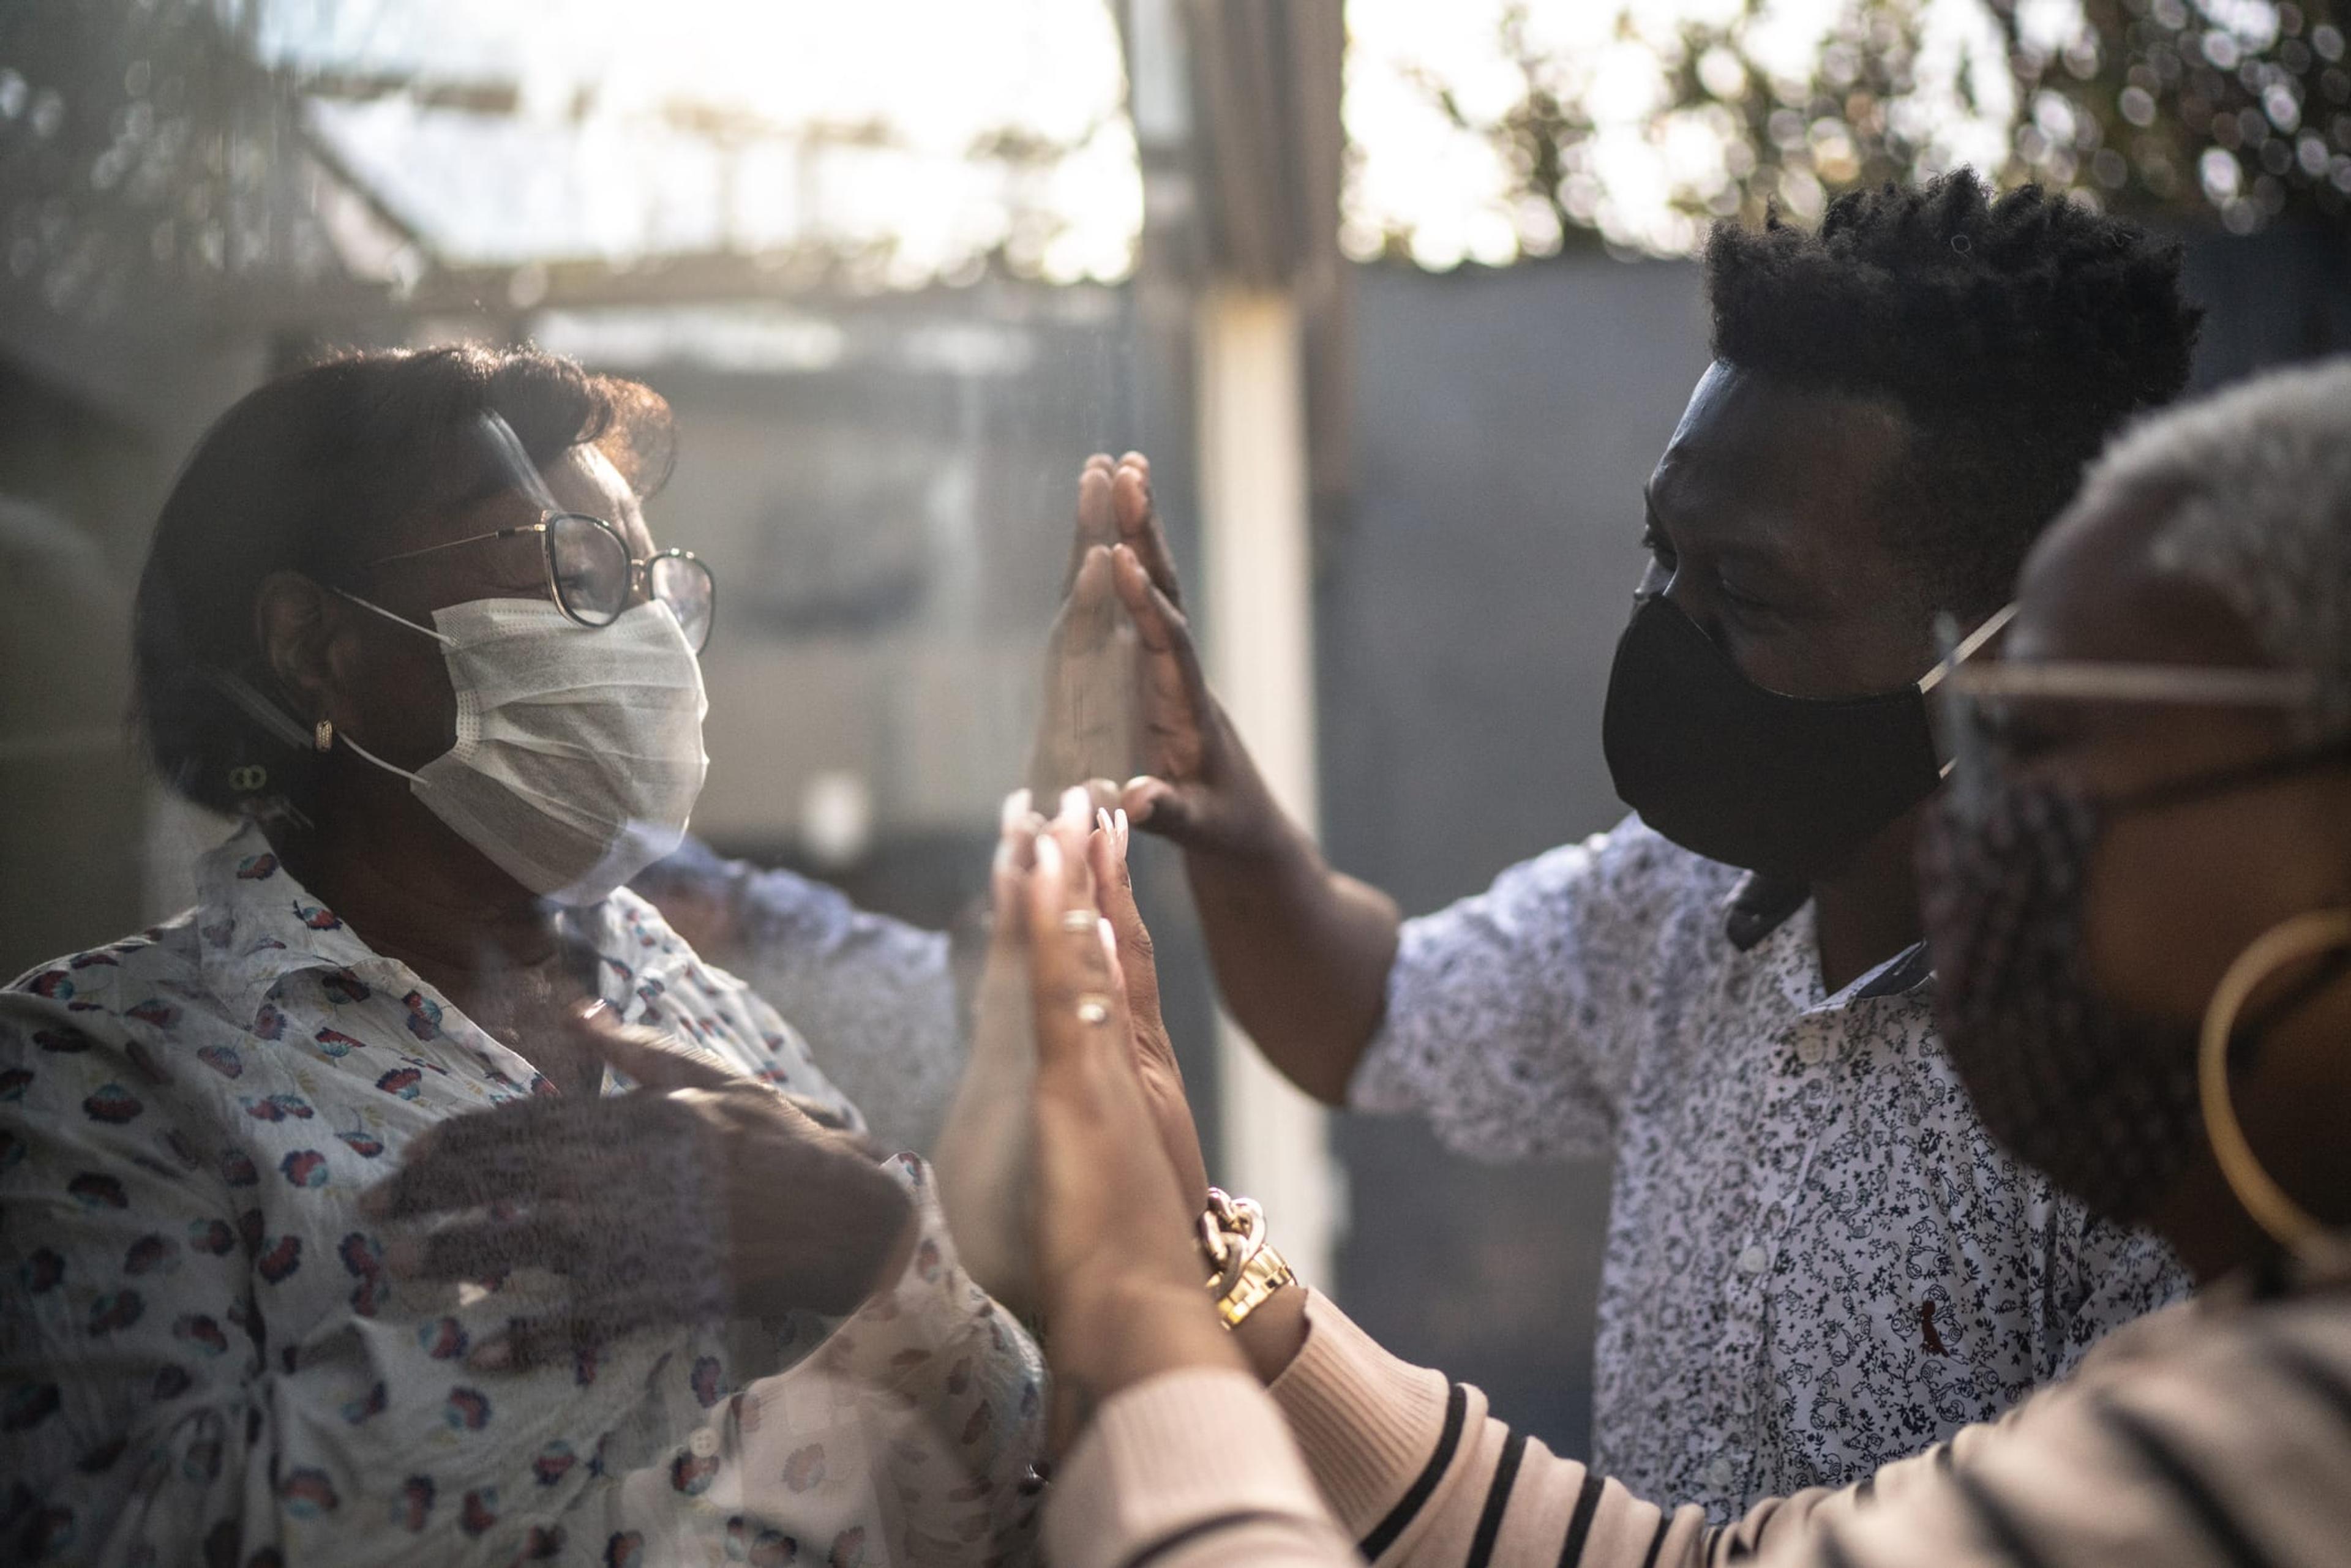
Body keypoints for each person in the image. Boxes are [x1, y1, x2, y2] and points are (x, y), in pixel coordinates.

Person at [1011, 356, 2351, 1567]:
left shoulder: (2256, 1433)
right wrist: (1213, 1275)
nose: (1668, 632)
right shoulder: (1687, 906)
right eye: (1664, 562)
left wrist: (1137, 1316)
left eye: (2053, 738)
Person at [0, 347, 1044, 1566]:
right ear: (316, 646)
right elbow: (137, 1536)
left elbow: (1007, 1483)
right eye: (574, 570)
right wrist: (630, 1268)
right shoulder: (102, 1072)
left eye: (653, 582)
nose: (649, 636)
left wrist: (869, 1237)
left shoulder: (698, 1007)